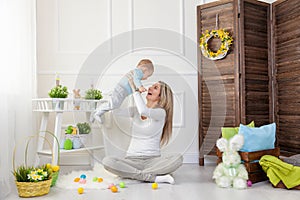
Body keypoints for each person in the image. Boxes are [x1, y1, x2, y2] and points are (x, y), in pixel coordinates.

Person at [102, 74, 183, 184]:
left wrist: (135, 90)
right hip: (131, 160)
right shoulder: (135, 110)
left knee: (178, 158)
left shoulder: (160, 113)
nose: (150, 88)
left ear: (161, 96)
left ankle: (132, 174)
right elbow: (115, 111)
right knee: (107, 161)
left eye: (155, 88)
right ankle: (152, 177)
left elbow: (144, 111)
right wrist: (120, 95)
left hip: (152, 161)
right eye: (152, 86)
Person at [90, 59, 154, 123]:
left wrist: (137, 90)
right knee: (113, 105)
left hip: (122, 90)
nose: (147, 78)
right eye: (148, 75)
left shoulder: (135, 73)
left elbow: (133, 84)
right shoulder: (138, 72)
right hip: (121, 89)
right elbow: (136, 80)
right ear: (145, 69)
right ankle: (97, 112)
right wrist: (141, 87)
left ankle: (97, 113)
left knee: (114, 105)